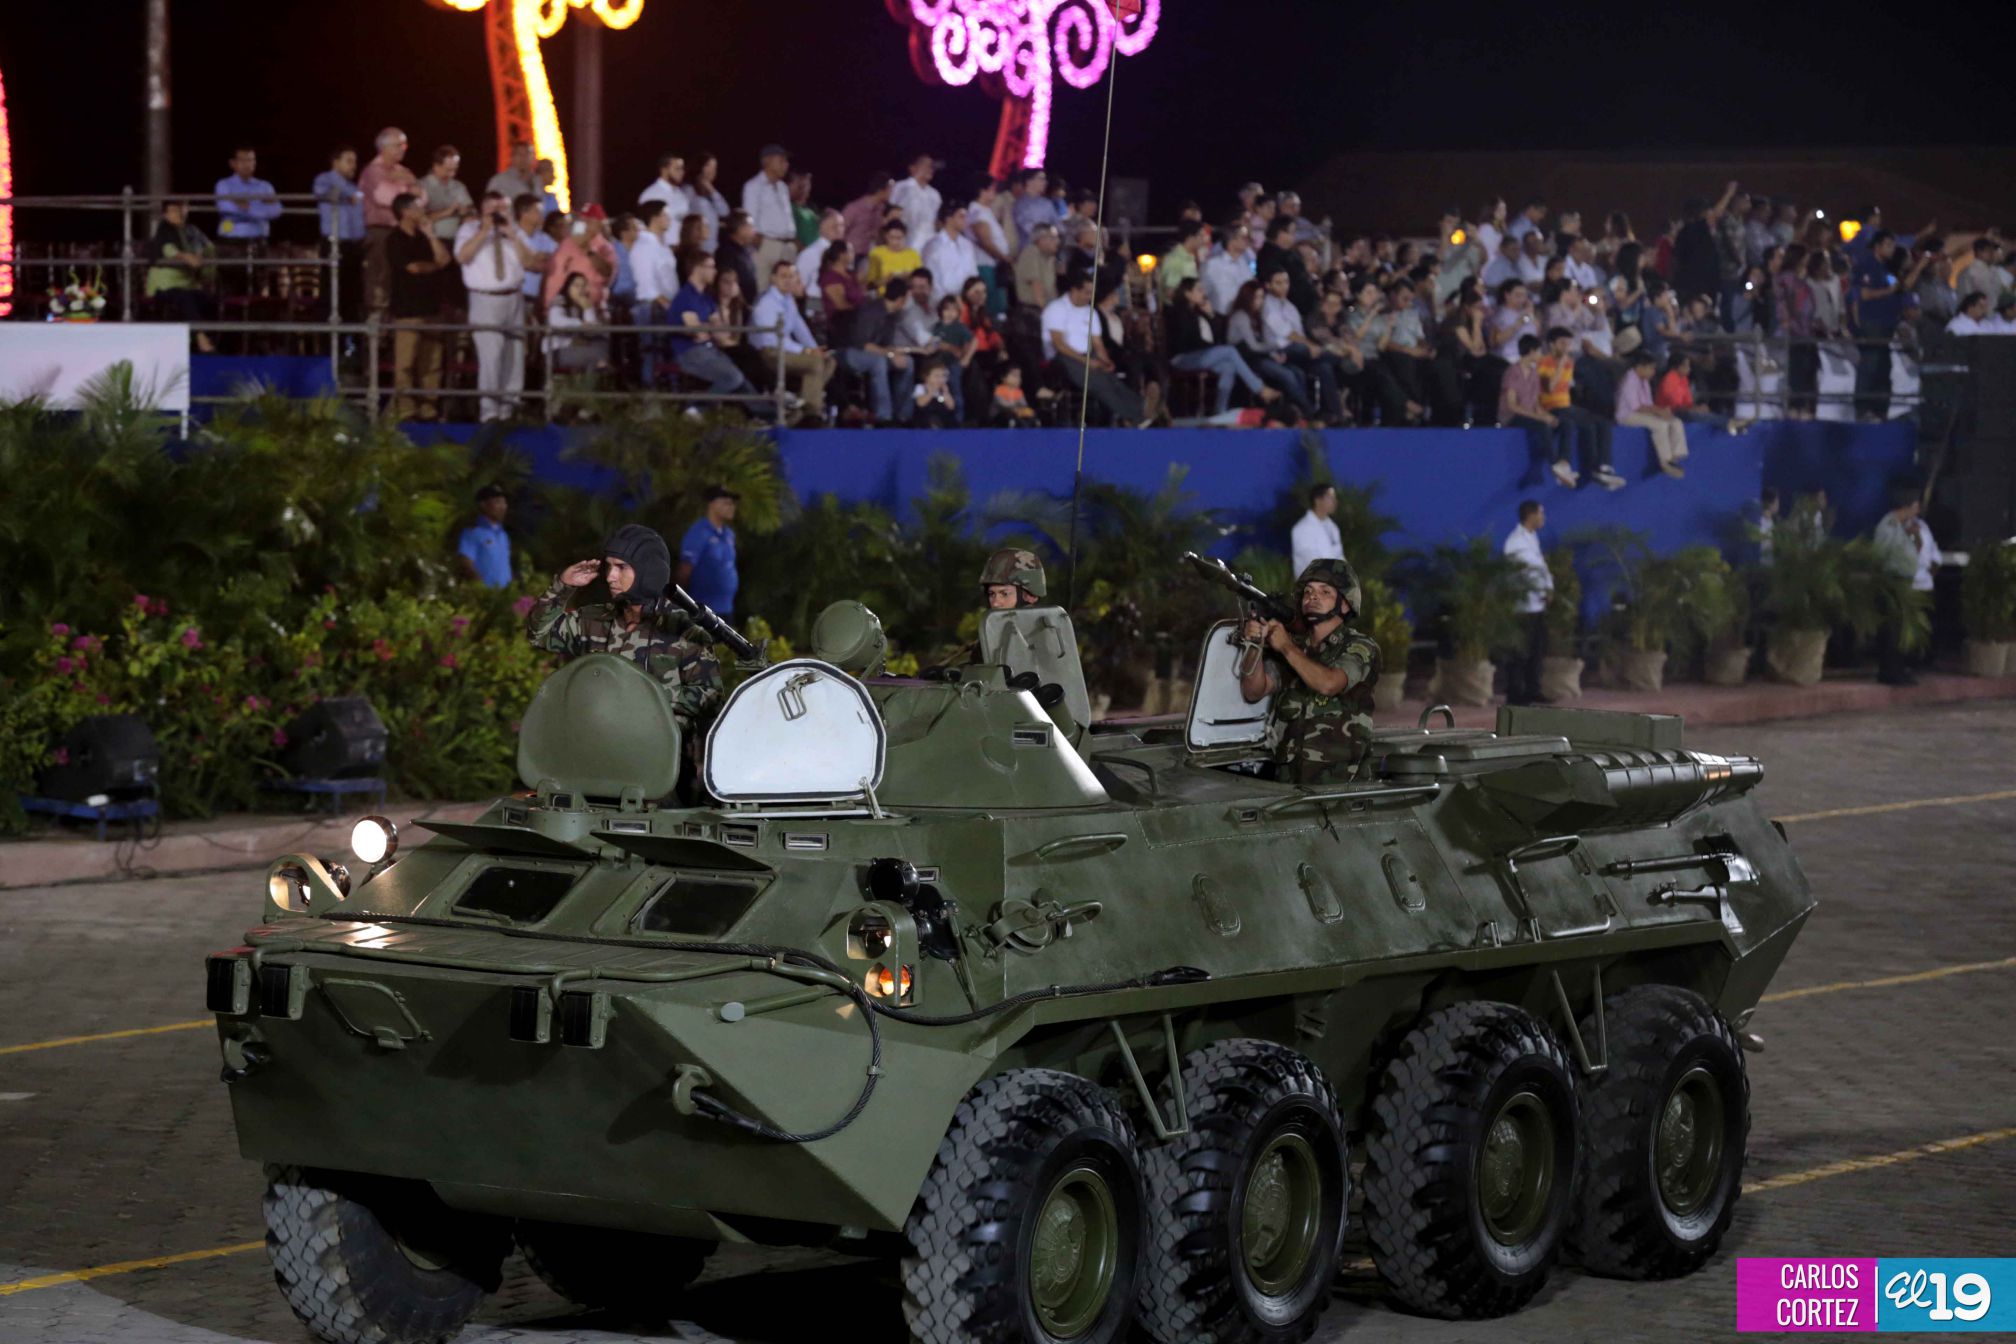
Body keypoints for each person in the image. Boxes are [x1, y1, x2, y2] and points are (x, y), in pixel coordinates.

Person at [525, 525, 725, 731]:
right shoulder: (595, 620)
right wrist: (563, 586)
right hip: (598, 749)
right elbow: (539, 633)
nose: (610, 576)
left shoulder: (683, 629)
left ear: (648, 571)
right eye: (609, 567)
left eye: (621, 567)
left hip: (662, 757)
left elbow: (712, 700)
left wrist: (653, 693)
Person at [1237, 558, 1381, 785]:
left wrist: (1285, 646)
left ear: (1345, 604)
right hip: (1289, 781)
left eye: (1325, 592)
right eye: (1308, 591)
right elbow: (1254, 691)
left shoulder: (1360, 647)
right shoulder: (1296, 647)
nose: (1313, 597)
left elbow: (1329, 684)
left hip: (1342, 783)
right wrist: (1254, 644)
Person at [454, 190, 537, 421]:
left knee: (514, 354)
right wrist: (484, 231)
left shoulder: (515, 231)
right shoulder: (469, 230)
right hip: (485, 299)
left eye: (503, 209)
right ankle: (489, 411)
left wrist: (512, 234)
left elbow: (530, 261)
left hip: (514, 297)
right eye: (494, 209)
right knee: (491, 355)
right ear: (483, 210)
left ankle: (510, 409)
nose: (500, 214)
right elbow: (462, 257)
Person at [1042, 269, 1144, 425]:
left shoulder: (1090, 312)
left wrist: (1105, 361)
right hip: (1062, 358)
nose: (1090, 297)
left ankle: (1142, 409)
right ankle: (1133, 417)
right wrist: (1086, 361)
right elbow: (1059, 344)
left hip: (1087, 355)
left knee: (1112, 380)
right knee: (1099, 383)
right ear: (1074, 290)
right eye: (1086, 293)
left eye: (1091, 293)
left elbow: (1097, 343)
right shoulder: (1056, 309)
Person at [1164, 278, 1276, 417]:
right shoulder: (1179, 313)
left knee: (1228, 366)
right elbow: (1188, 341)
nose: (1203, 293)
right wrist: (1211, 345)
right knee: (1229, 351)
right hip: (1182, 357)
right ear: (1188, 293)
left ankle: (1220, 412)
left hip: (1201, 354)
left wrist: (1210, 315)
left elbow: (1216, 336)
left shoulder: (1199, 312)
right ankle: (1259, 388)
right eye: (1198, 290)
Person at [385, 192, 448, 420]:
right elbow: (414, 268)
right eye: (417, 208)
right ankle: (406, 409)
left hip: (431, 309)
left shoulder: (424, 237)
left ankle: (428, 408)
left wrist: (431, 236)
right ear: (405, 212)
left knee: (431, 363)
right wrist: (434, 266)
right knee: (405, 363)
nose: (422, 212)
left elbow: (445, 259)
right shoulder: (395, 239)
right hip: (407, 311)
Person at [1539, 327, 1624, 490]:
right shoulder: (1544, 362)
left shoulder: (1570, 363)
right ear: (1552, 345)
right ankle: (1587, 467)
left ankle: (1603, 467)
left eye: (1568, 344)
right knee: (1584, 423)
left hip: (1567, 405)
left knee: (1601, 422)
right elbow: (1550, 387)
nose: (1566, 347)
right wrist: (1560, 365)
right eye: (1562, 343)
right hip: (1550, 406)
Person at [750, 260, 835, 422]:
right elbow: (774, 340)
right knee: (814, 362)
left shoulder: (788, 300)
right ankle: (811, 413)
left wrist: (814, 348)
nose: (788, 280)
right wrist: (807, 352)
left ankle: (800, 407)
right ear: (773, 278)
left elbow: (800, 328)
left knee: (828, 361)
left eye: (791, 276)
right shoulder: (766, 304)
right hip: (770, 352)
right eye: (783, 276)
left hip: (786, 349)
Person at [667, 251, 756, 398]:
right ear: (698, 269)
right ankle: (695, 408)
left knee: (741, 377)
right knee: (733, 377)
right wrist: (708, 328)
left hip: (709, 348)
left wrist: (707, 328)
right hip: (690, 353)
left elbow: (721, 331)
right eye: (711, 267)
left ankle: (768, 414)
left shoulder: (706, 298)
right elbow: (697, 331)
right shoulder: (686, 297)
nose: (715, 272)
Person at [842, 278, 919, 424]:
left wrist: (896, 354)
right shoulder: (871, 310)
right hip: (850, 352)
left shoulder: (892, 316)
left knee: (907, 362)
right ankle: (884, 416)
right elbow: (862, 343)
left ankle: (903, 415)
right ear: (901, 299)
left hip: (877, 354)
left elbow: (886, 345)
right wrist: (890, 354)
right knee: (879, 363)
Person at [1501, 334, 1574, 486]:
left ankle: (1564, 463)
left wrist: (1547, 416)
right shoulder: (1512, 372)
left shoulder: (1534, 374)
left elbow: (1535, 404)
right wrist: (1540, 418)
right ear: (1532, 351)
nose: (1541, 355)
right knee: (1542, 426)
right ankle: (1554, 465)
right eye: (1539, 351)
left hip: (1530, 415)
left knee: (1564, 423)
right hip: (1513, 416)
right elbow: (1512, 405)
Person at [1871, 487, 1927, 686]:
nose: (1917, 509)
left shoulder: (1901, 527)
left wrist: (1914, 535)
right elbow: (1880, 555)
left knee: (1900, 630)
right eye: (1915, 505)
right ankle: (1889, 671)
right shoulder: (1888, 525)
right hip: (1892, 582)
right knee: (1892, 630)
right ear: (1908, 505)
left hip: (1903, 582)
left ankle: (1898, 669)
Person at [145, 201, 218, 350]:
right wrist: (185, 256)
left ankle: (211, 342)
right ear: (165, 214)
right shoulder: (163, 230)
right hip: (165, 285)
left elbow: (209, 248)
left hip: (189, 282)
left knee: (209, 300)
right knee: (186, 298)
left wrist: (202, 261)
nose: (178, 213)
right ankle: (200, 337)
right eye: (173, 210)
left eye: (181, 209)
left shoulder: (192, 230)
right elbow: (168, 249)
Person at [1502, 500, 1554, 705]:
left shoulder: (1532, 537)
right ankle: (1515, 694)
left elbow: (1541, 567)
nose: (1544, 517)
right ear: (1531, 515)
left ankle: (1533, 689)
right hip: (1522, 607)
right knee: (1519, 652)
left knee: (1535, 650)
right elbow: (1528, 572)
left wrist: (1548, 589)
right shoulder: (1515, 542)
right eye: (1541, 513)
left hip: (1536, 606)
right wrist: (1543, 589)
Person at [312, 146, 366, 323]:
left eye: (355, 162)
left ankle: (349, 345)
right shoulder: (324, 180)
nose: (353, 166)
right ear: (335, 162)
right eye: (349, 161)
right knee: (331, 293)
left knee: (352, 295)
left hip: (353, 246)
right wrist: (343, 195)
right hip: (333, 243)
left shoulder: (353, 187)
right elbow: (323, 194)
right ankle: (328, 344)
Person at [1615, 348, 1687, 478]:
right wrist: (1657, 412)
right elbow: (1636, 407)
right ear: (1640, 367)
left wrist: (1661, 412)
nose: (1653, 372)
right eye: (1651, 368)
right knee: (1660, 425)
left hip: (1642, 412)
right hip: (1627, 415)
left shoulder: (1644, 381)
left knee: (1675, 421)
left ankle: (1676, 456)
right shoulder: (1629, 380)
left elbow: (1648, 404)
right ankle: (1665, 461)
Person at [740, 144, 798, 288]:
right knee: (763, 289)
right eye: (781, 160)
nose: (786, 164)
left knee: (786, 292)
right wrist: (760, 245)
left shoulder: (783, 188)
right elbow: (750, 220)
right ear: (767, 161)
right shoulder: (753, 186)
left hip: (786, 246)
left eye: (786, 161)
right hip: (766, 245)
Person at [678, 486, 740, 617]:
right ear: (713, 504)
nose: (731, 507)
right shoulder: (699, 532)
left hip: (726, 609)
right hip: (704, 610)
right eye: (726, 503)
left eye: (732, 503)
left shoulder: (728, 534)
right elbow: (685, 571)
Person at [456, 484, 513, 587]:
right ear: (483, 505)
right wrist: (481, 587)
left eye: (504, 503)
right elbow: (465, 563)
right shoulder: (473, 533)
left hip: (505, 596)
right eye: (498, 502)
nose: (503, 507)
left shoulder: (503, 535)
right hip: (485, 596)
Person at [890, 152, 943, 250]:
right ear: (912, 168)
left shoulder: (935, 195)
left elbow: (937, 222)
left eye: (931, 166)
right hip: (906, 246)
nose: (930, 169)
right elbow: (890, 215)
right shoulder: (901, 187)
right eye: (925, 165)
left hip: (929, 249)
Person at [1291, 483, 1344, 578]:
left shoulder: (1333, 528)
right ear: (1318, 500)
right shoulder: (1302, 529)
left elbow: (1339, 557)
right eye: (1330, 498)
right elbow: (1309, 562)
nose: (1335, 501)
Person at [866, 218, 922, 291]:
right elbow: (870, 285)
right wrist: (887, 279)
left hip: (907, 296)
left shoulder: (913, 254)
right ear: (886, 236)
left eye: (899, 238)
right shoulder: (877, 253)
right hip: (882, 298)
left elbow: (920, 280)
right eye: (891, 238)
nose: (895, 242)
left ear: (905, 237)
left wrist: (909, 278)